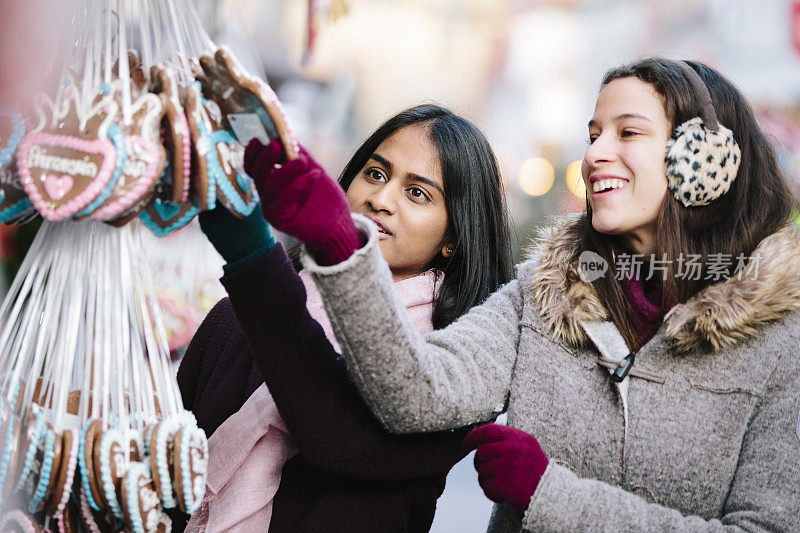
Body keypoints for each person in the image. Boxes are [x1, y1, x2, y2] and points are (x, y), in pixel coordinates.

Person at [257, 58, 800, 531]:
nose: (594, 156)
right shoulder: (543, 295)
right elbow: (413, 392)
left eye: (627, 134)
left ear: (707, 162)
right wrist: (341, 249)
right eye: (593, 135)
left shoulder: (781, 344)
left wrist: (550, 497)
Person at [176, 104, 514, 531]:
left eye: (417, 193)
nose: (380, 198)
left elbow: (337, 434)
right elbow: (165, 476)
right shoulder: (236, 318)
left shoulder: (455, 367)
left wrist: (253, 255)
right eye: (375, 173)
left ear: (453, 236)